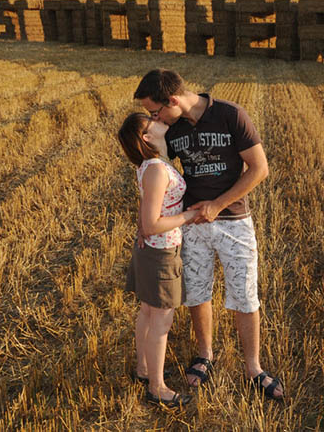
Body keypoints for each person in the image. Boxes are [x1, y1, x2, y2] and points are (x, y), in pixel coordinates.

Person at [134, 69, 284, 400]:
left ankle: (253, 368)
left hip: (235, 221)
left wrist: (217, 205)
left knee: (245, 295)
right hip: (192, 226)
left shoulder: (230, 115)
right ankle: (205, 355)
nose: (153, 119)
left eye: (155, 112)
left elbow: (259, 169)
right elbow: (155, 176)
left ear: (172, 100)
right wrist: (146, 224)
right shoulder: (171, 129)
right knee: (197, 292)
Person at [117, 112, 198, 408]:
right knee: (160, 321)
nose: (158, 118)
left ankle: (143, 369)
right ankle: (157, 387)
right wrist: (189, 216)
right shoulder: (155, 169)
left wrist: (143, 227)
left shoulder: (151, 166)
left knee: (148, 313)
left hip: (152, 250)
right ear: (147, 137)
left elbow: (147, 209)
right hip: (162, 254)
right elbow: (152, 223)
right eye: (152, 121)